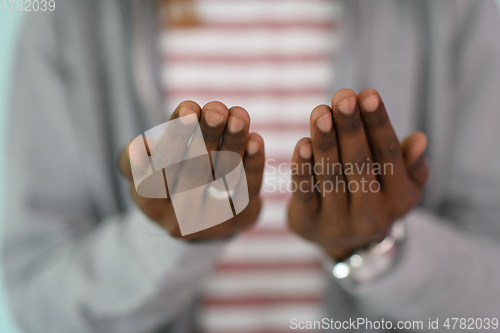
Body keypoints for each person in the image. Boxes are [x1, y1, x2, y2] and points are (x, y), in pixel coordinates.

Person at [2, 0, 500, 332]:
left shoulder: (455, 11)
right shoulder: (70, 18)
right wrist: (163, 244)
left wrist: (377, 252)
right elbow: (37, 306)